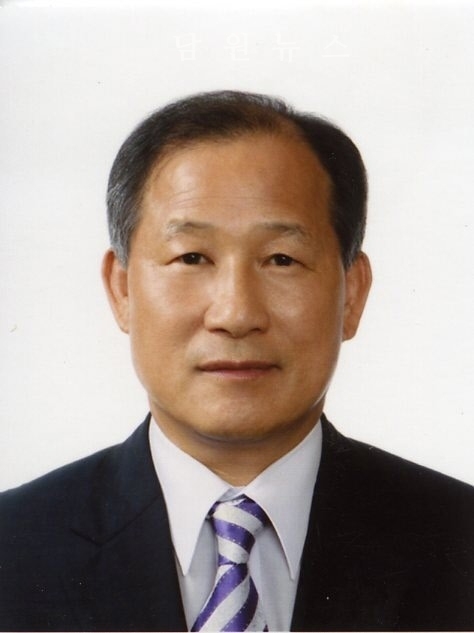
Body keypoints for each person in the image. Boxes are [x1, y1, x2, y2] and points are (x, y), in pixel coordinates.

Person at [0, 90, 473, 632]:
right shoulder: (13, 549)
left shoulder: (458, 539)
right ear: (122, 289)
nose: (236, 313)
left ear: (352, 294)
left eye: (281, 259)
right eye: (191, 257)